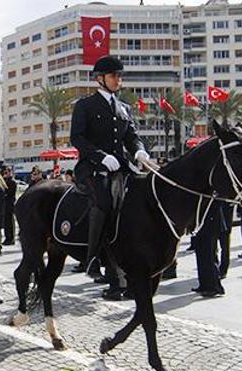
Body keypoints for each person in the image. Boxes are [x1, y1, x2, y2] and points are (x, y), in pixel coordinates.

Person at [70, 55, 149, 280]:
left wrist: (139, 150)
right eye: (114, 75)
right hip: (93, 167)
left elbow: (132, 136)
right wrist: (100, 156)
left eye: (120, 76)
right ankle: (92, 257)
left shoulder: (124, 108)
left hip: (121, 166)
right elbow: (77, 138)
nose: (118, 79)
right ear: (100, 78)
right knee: (104, 201)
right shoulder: (85, 105)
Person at [193, 201, 226, 297]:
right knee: (201, 256)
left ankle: (214, 286)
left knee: (209, 256)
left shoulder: (213, 192)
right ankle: (204, 284)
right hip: (202, 227)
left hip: (211, 225)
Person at [2, 166, 17, 245]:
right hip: (5, 204)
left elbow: (10, 193)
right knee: (6, 222)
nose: (5, 174)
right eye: (4, 173)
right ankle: (7, 237)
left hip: (10, 204)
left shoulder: (12, 182)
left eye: (6, 173)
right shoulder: (5, 181)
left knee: (10, 222)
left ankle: (11, 238)